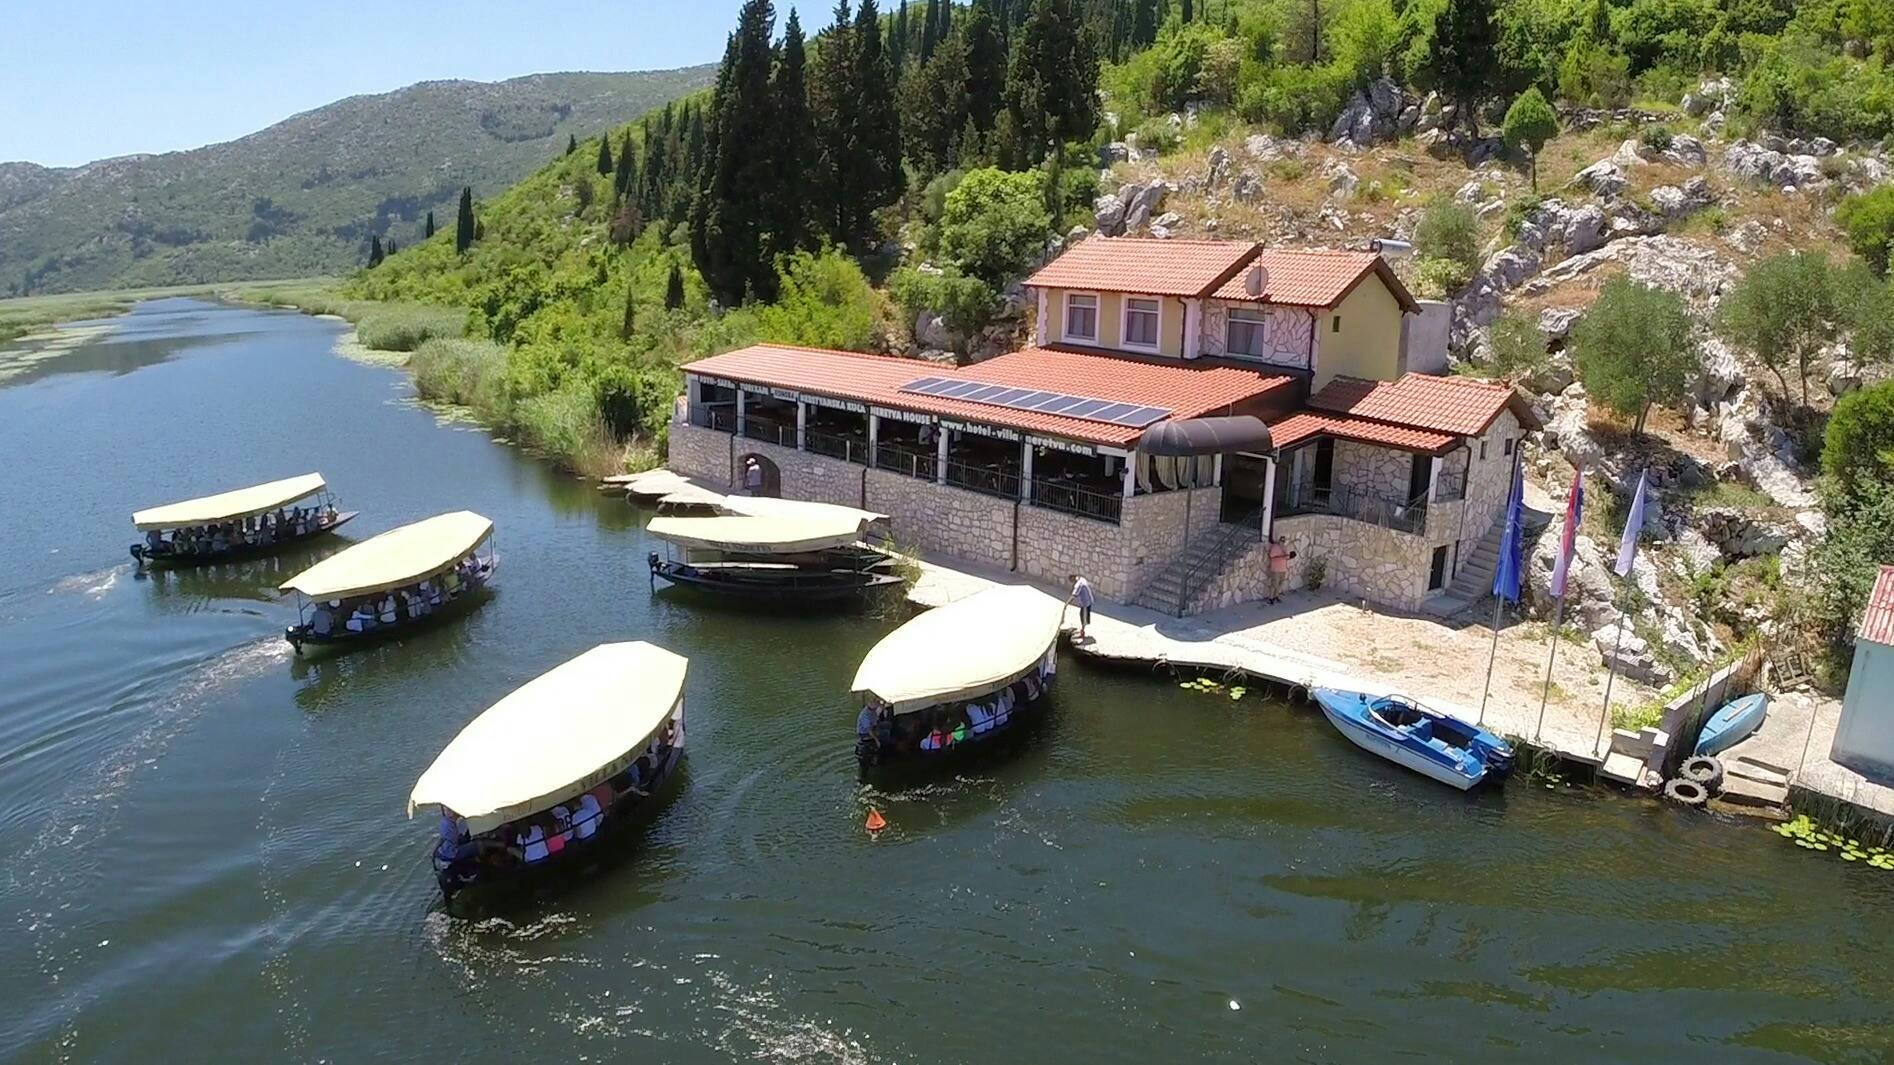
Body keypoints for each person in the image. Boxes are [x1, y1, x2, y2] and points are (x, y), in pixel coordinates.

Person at [1265, 535, 1297, 605]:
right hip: (1276, 569)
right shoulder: (1275, 547)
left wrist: (1290, 557)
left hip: (1283, 569)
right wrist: (1282, 556)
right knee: (1274, 584)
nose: (1283, 542)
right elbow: (1271, 556)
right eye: (1281, 540)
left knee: (1280, 583)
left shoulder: (1285, 548)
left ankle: (1276, 596)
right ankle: (1270, 598)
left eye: (1284, 541)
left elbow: (1286, 557)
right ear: (1279, 540)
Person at [1065, 573, 1095, 642]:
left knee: (1083, 617)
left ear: (1073, 579)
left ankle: (1082, 633)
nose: (1072, 583)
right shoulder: (1082, 579)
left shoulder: (1078, 585)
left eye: (1071, 581)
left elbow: (1073, 596)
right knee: (1083, 615)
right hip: (1088, 600)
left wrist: (1066, 604)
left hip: (1086, 603)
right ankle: (1082, 630)